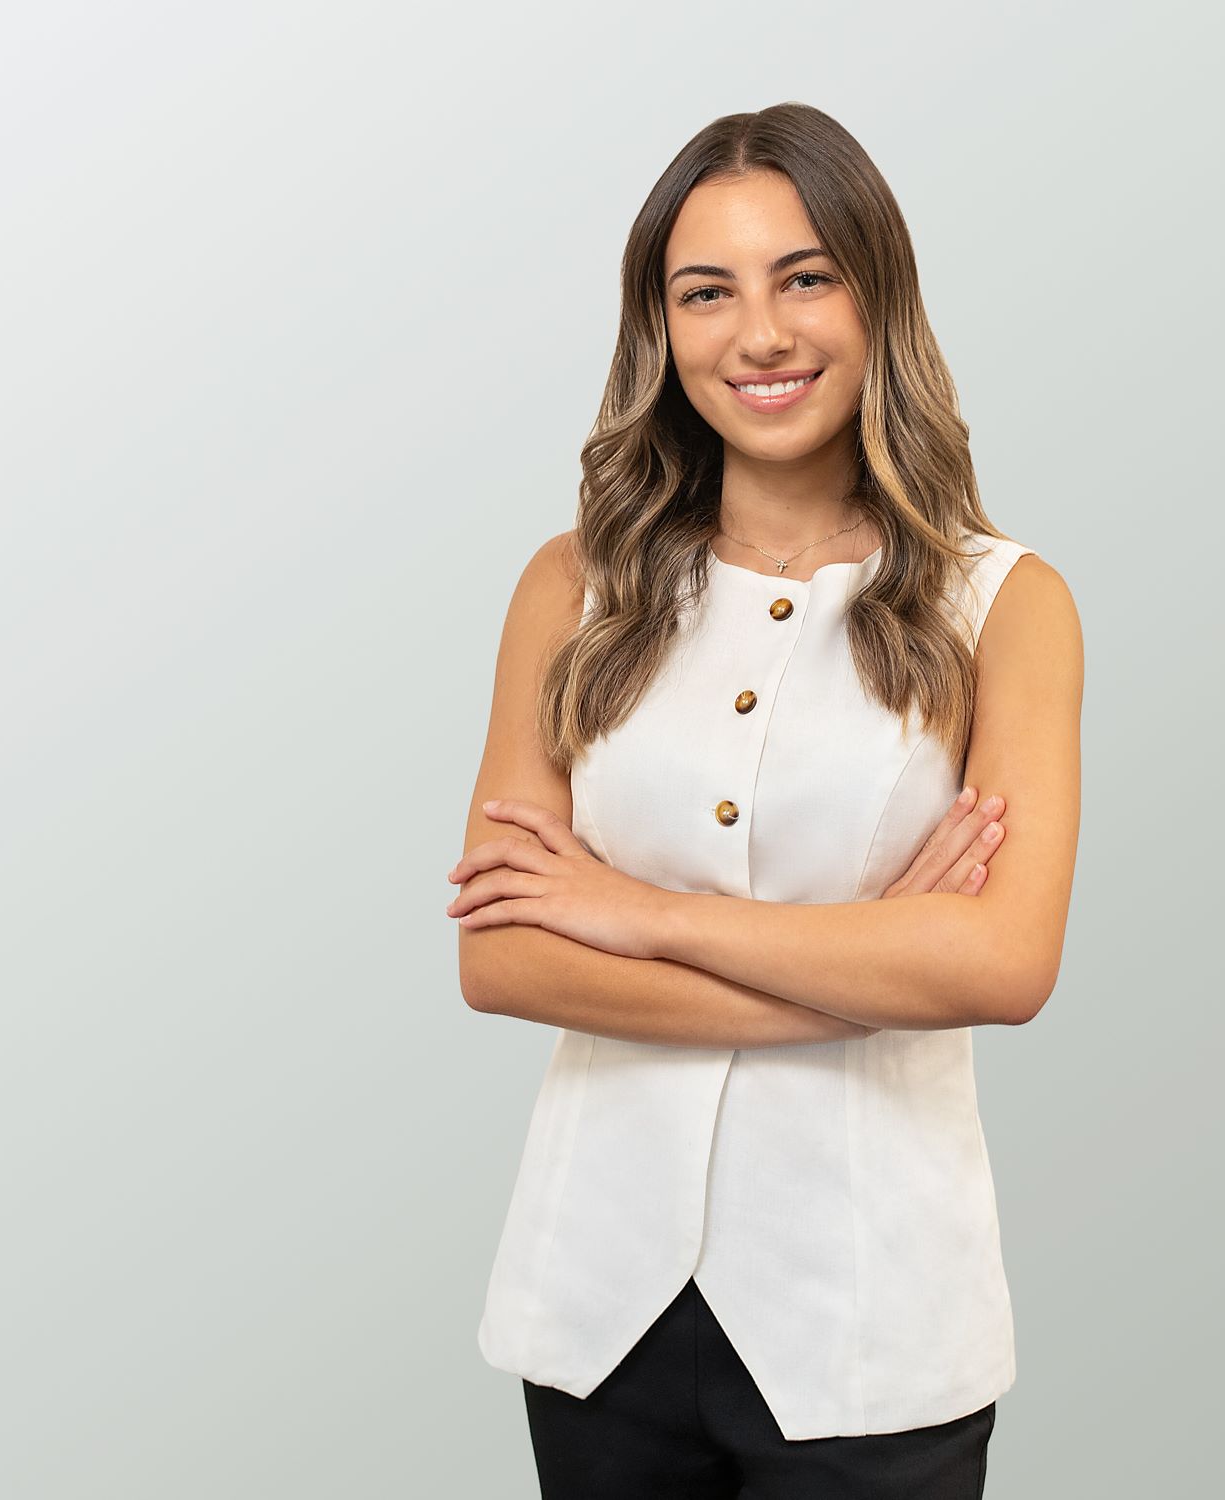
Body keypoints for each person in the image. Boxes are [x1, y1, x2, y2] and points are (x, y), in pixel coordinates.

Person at [446, 101, 1082, 1500]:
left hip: (871, 1319)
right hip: (596, 1305)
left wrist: (632, 913)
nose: (761, 335)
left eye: (805, 277)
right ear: (661, 330)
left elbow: (1003, 963)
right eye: (707, 292)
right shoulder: (573, 588)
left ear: (877, 294)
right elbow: (501, 957)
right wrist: (874, 964)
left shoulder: (1005, 606)